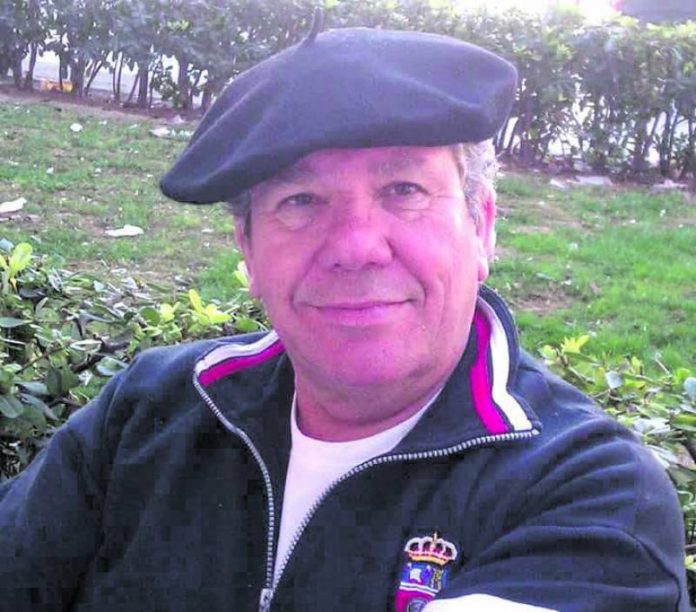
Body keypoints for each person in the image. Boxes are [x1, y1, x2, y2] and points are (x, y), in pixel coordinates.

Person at [0, 21, 689, 612]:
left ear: (481, 227)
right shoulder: (150, 409)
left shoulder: (591, 497)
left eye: (404, 189)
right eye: (300, 201)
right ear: (248, 249)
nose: (357, 246)